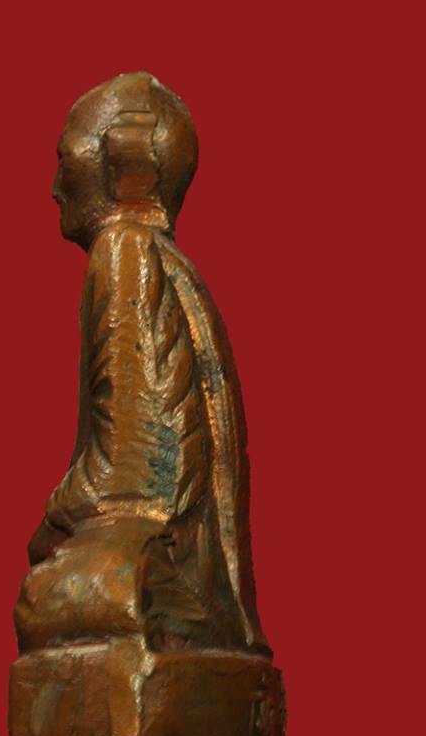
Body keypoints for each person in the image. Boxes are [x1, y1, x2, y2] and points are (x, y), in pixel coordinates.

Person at [14, 72, 271, 658]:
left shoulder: (122, 248)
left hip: (157, 556)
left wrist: (51, 519)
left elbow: (129, 470)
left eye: (65, 160)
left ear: (123, 159)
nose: (54, 187)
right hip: (176, 559)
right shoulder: (166, 261)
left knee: (51, 594)